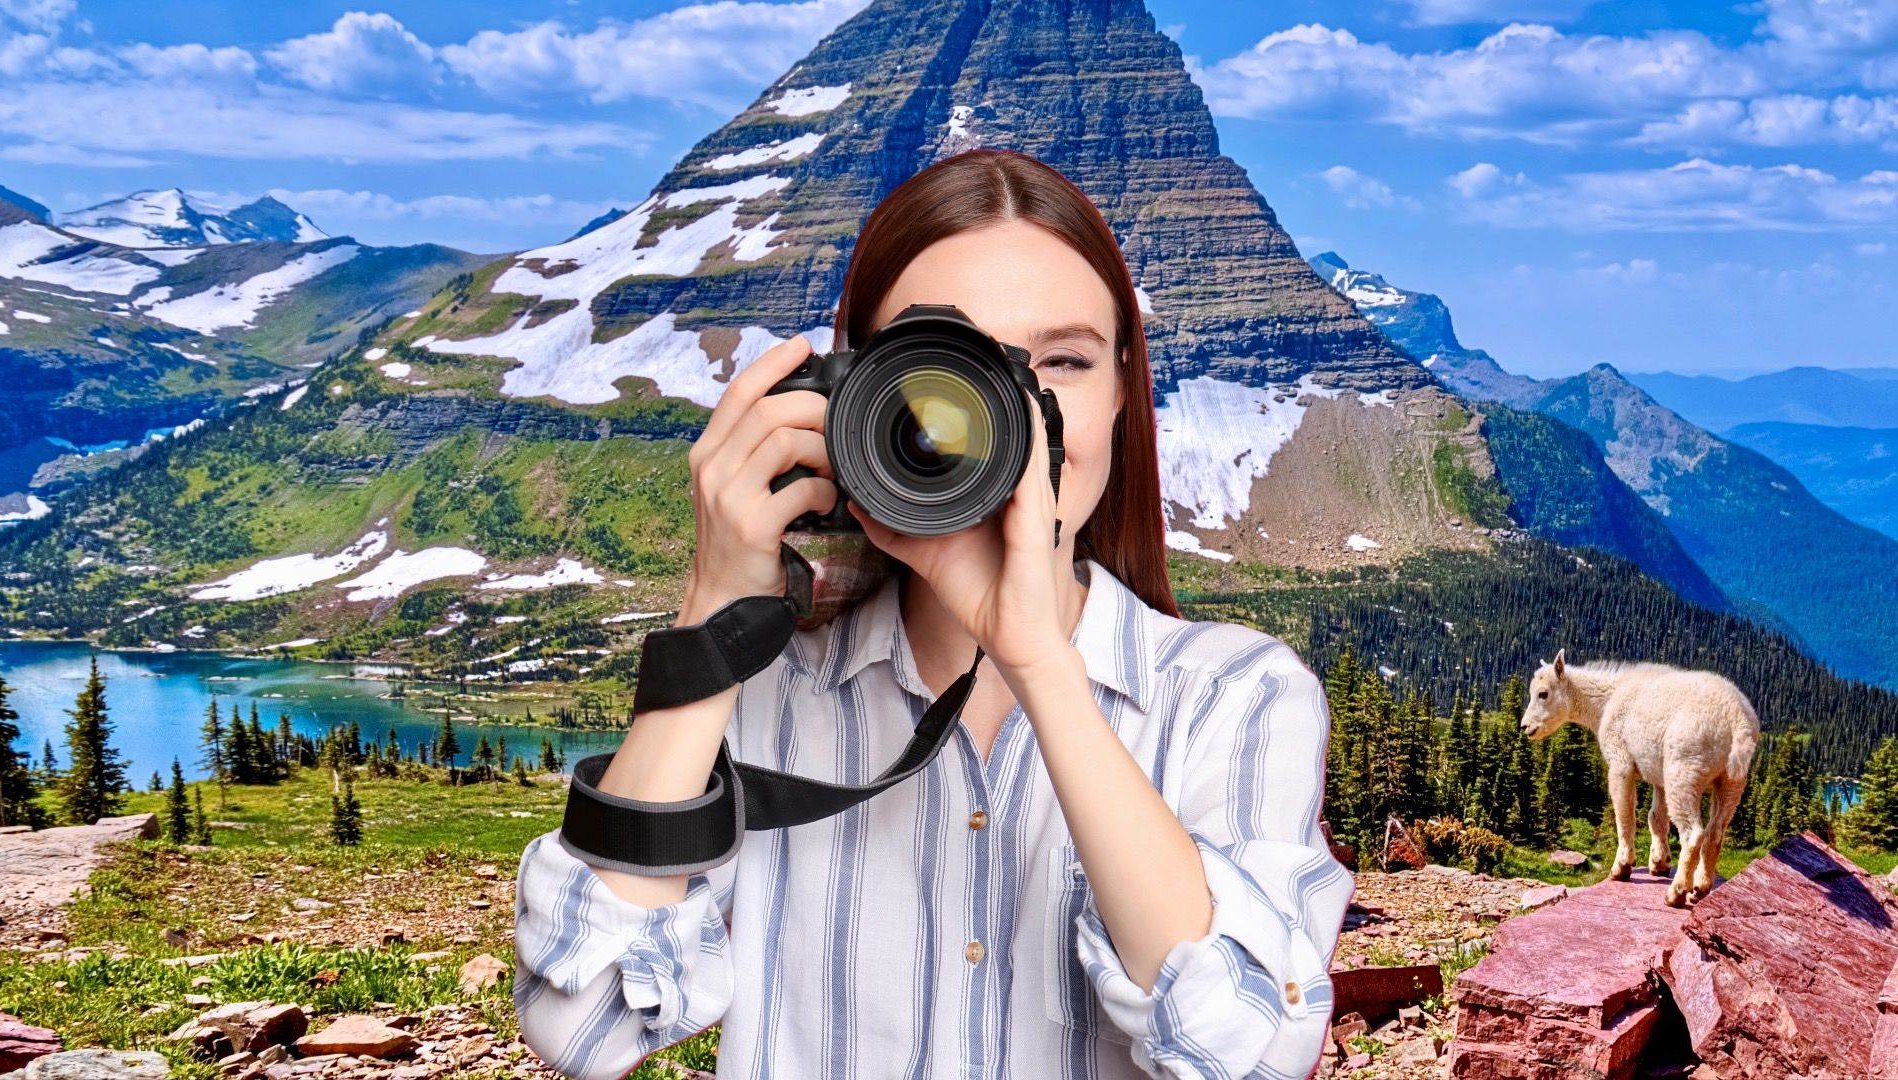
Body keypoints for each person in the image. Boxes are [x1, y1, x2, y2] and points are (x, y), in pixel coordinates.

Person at [511, 148, 1353, 1080]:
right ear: (854, 401)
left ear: (1123, 391)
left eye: (1061, 363)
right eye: (950, 374)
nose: (1005, 419)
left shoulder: (1234, 695)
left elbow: (1256, 1056)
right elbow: (582, 1025)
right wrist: (713, 619)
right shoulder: (766, 694)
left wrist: (1039, 662)